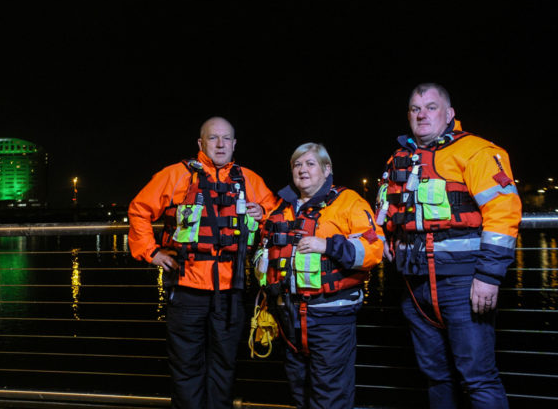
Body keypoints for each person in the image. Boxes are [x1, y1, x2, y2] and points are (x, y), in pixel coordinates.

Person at [375, 83, 522, 408]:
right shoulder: (398, 159)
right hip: (414, 288)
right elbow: (386, 210)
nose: (422, 114)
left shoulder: (476, 151)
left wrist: (489, 275)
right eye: (415, 108)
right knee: (436, 377)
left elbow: (504, 211)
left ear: (449, 113)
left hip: (463, 284)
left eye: (430, 107)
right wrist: (382, 235)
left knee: (478, 378)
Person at [128, 116, 278, 409]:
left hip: (231, 290)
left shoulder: (250, 180)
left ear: (235, 144)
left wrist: (263, 212)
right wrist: (151, 251)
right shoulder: (174, 175)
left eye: (226, 139)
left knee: (224, 368)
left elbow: (276, 219)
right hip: (186, 288)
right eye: (213, 138)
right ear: (201, 143)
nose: (220, 144)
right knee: (186, 369)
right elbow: (139, 210)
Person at [256, 142, 383, 409]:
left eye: (310, 164)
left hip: (330, 317)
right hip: (288, 317)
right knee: (299, 391)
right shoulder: (282, 209)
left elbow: (375, 248)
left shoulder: (349, 202)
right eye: (297, 164)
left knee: (330, 395)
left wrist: (328, 245)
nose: (302, 170)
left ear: (327, 170)